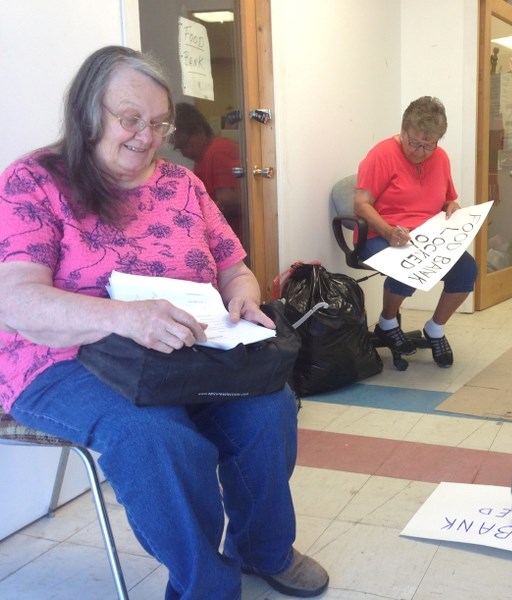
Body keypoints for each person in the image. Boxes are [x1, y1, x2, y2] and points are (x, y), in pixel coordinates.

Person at [0, 46, 328, 599]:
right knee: (155, 435)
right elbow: (17, 302)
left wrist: (244, 300)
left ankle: (262, 549)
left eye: (158, 123)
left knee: (269, 407)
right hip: (63, 358)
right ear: (87, 113)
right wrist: (125, 318)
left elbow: (235, 268)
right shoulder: (34, 181)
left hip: (183, 349)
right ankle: (205, 585)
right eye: (129, 119)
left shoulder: (181, 184)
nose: (146, 136)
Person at [354, 96, 477, 368]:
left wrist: (452, 206)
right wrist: (387, 231)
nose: (420, 152)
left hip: (427, 236)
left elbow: (448, 199)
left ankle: (435, 329)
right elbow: (361, 205)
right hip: (381, 234)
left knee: (467, 270)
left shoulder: (441, 158)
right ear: (403, 130)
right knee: (409, 267)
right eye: (414, 143)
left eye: (428, 145)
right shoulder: (381, 155)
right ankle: (387, 322)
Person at [172, 102, 243, 238]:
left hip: (233, 238)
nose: (184, 153)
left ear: (200, 132)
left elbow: (231, 200)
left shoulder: (217, 152)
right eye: (179, 148)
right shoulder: (202, 158)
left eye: (186, 145)